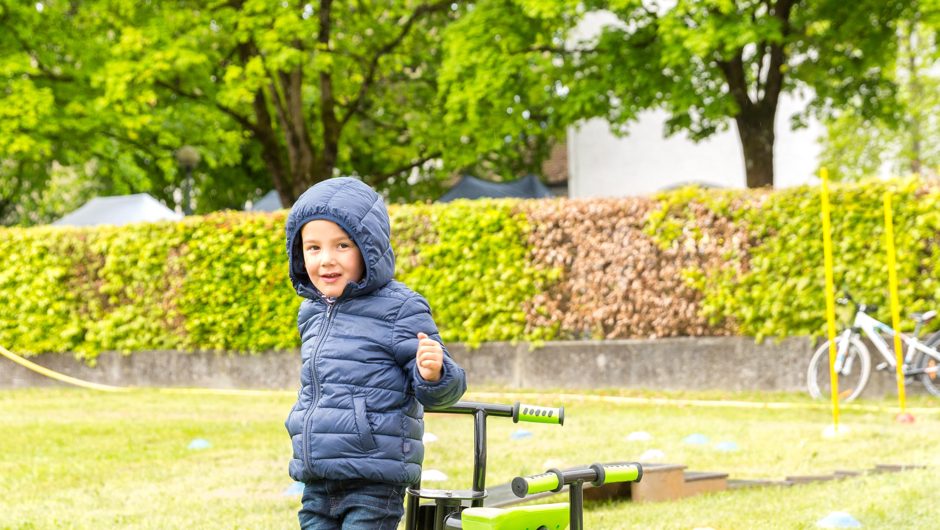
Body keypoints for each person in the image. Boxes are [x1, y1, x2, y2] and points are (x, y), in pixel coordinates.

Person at [284, 177, 467, 529]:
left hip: (373, 475)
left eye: (342, 246)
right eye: (313, 248)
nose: (326, 260)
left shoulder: (399, 307)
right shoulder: (311, 312)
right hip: (318, 474)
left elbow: (448, 388)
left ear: (369, 247)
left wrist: (434, 373)